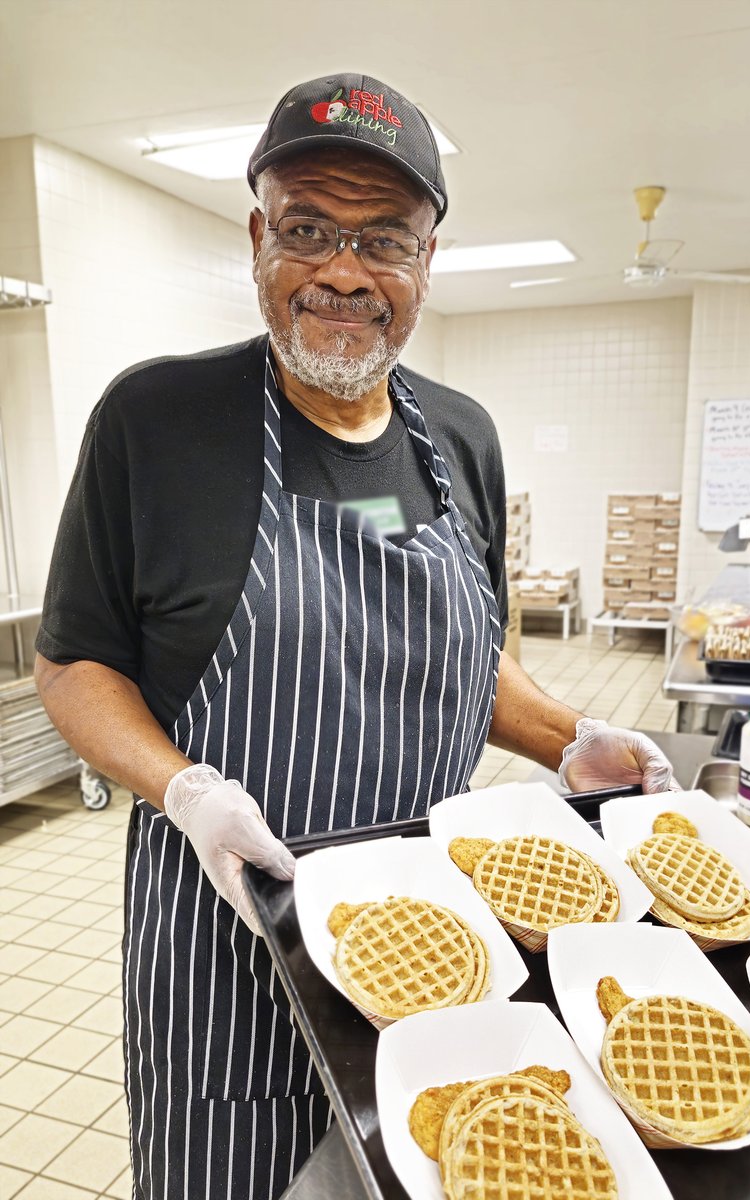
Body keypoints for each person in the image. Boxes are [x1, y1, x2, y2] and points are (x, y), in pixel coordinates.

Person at [34, 73, 673, 1199]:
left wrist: (569, 737)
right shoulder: (157, 422)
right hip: (225, 944)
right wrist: (185, 791)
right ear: (258, 239)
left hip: (435, 937)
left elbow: (468, 659)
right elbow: (74, 662)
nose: (342, 270)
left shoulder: (461, 438)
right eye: (308, 229)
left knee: (429, 1155)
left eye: (383, 238)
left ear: (428, 258)